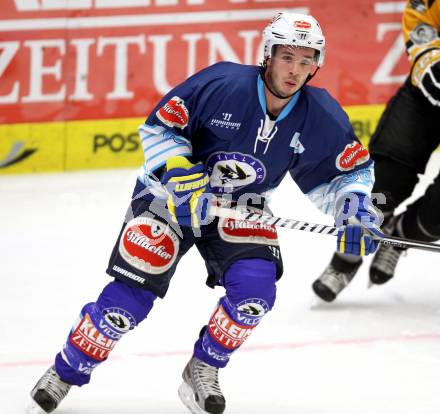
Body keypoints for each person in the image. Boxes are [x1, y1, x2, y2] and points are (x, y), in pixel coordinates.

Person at [28, 11, 383, 414]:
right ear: (267, 54)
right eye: (287, 57)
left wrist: (354, 211)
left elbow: (348, 173)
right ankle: (66, 369)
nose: (295, 70)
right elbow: (162, 127)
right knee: (127, 302)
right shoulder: (222, 83)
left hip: (242, 206)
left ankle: (202, 367)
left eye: (306, 60)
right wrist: (179, 169)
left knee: (254, 293)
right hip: (168, 197)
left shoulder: (319, 113)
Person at [312, 0, 440, 302]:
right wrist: (431, 63)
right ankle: (345, 260)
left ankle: (399, 236)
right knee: (381, 186)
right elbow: (422, 21)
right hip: (426, 97)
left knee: (436, 218)